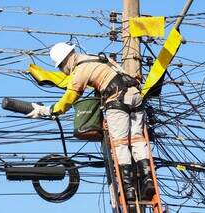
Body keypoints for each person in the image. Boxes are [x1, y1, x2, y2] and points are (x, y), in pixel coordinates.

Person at [27, 42, 155, 201]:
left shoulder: (79, 71)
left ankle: (128, 188)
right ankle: (148, 178)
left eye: (61, 67)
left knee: (120, 143)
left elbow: (69, 99)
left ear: (66, 61)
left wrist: (47, 111)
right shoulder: (97, 58)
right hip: (135, 95)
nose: (63, 71)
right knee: (136, 139)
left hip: (116, 99)